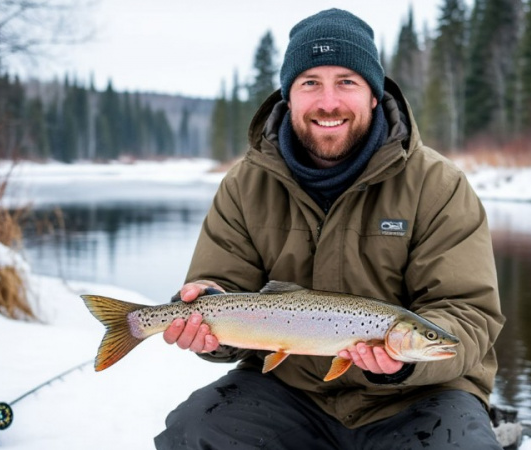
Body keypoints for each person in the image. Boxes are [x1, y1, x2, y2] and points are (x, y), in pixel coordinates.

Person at [155, 8, 505, 450]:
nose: (328, 102)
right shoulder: (245, 185)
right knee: (195, 431)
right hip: (290, 389)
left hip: (420, 396)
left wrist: (400, 364)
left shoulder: (438, 185)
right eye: (310, 83)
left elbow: (468, 313)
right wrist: (206, 319)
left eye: (346, 82)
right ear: (288, 95)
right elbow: (223, 289)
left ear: (374, 95)